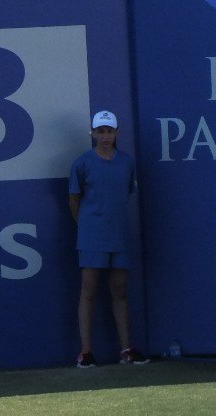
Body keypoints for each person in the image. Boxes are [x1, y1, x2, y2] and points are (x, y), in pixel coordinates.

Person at [68, 110, 149, 367]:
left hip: (120, 235)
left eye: (109, 131)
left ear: (116, 134)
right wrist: (87, 226)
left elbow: (126, 194)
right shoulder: (81, 164)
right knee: (89, 290)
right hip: (91, 236)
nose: (105, 136)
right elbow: (74, 200)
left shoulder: (127, 162)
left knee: (120, 291)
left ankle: (126, 349)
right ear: (92, 133)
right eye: (100, 131)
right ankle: (86, 352)